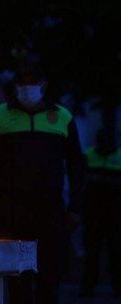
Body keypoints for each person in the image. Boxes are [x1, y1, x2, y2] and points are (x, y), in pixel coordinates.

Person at [0, 63, 85, 304]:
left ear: (44, 85)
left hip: (51, 211)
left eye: (33, 83)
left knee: (50, 279)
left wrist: (75, 208)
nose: (29, 88)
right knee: (18, 281)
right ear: (15, 86)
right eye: (23, 83)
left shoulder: (62, 117)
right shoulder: (0, 116)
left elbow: (76, 166)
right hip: (12, 212)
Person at [79, 128, 121, 298]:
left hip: (116, 213)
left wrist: (103, 180)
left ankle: (117, 286)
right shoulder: (88, 155)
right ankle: (88, 286)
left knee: (116, 252)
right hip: (92, 212)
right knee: (92, 251)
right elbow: (79, 177)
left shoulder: (119, 156)